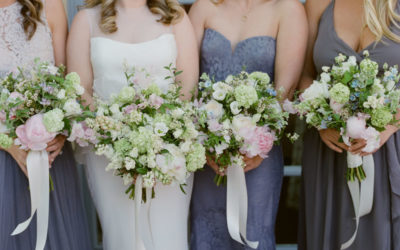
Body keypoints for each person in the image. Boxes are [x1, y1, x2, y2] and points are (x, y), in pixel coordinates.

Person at [67, 0, 198, 249]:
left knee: (168, 234)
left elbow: (187, 87)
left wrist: (161, 140)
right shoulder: (86, 20)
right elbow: (80, 89)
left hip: (169, 151)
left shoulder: (176, 16)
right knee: (122, 236)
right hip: (108, 153)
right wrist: (116, 137)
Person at [188, 0, 307, 249]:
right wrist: (205, 141)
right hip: (206, 154)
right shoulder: (204, 7)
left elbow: (285, 90)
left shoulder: (287, 9)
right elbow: (188, 84)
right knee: (205, 234)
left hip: (258, 155)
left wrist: (255, 142)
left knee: (253, 234)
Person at [299, 0, 400, 249]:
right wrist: (321, 121)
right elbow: (304, 75)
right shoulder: (319, 4)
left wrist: (389, 125)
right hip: (330, 152)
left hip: (392, 147)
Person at [0, 0, 92, 249]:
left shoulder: (50, 5)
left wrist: (60, 132)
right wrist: (8, 143)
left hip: (49, 157)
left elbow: (68, 84)